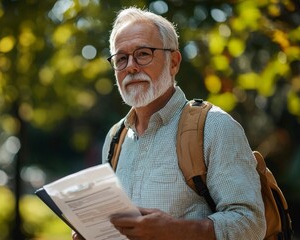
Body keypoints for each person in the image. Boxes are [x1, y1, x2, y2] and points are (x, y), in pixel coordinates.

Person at [72, 6, 265, 240]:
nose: (131, 66)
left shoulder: (215, 126)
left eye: (143, 53)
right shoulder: (115, 138)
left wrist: (175, 231)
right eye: (121, 58)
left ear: (173, 62)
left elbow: (251, 224)